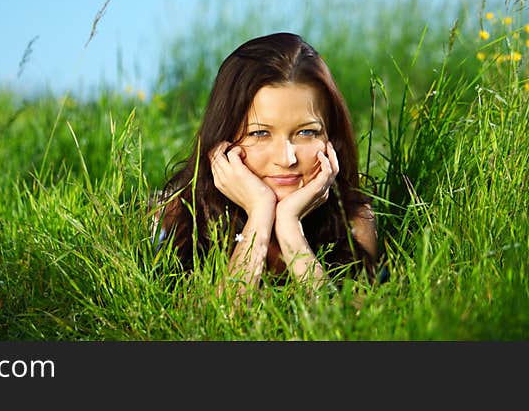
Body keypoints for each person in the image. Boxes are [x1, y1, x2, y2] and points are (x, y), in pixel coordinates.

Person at [152, 32, 378, 294]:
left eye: (306, 132)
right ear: (224, 140)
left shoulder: (354, 220)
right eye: (259, 133)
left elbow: (347, 329)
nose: (286, 159)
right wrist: (259, 214)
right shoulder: (175, 217)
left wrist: (290, 229)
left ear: (331, 138)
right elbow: (209, 330)